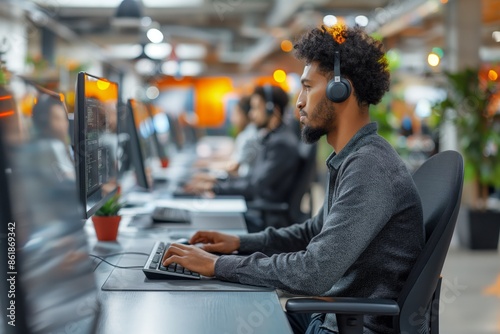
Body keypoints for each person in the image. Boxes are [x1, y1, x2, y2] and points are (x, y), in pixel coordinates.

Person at [163, 24, 424, 334]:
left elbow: (314, 272)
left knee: (215, 319)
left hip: (345, 326)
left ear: (341, 90)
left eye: (308, 87)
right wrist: (238, 243)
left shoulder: (369, 166)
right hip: (332, 317)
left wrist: (218, 266)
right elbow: (313, 231)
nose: (299, 102)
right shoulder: (354, 158)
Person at [184, 85, 301, 230]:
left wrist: (215, 187)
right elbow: (251, 178)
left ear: (273, 110)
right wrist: (217, 182)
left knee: (200, 227)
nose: (251, 115)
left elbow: (254, 186)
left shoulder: (281, 144)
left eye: (256, 108)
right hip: (258, 210)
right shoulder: (273, 139)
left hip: (266, 221)